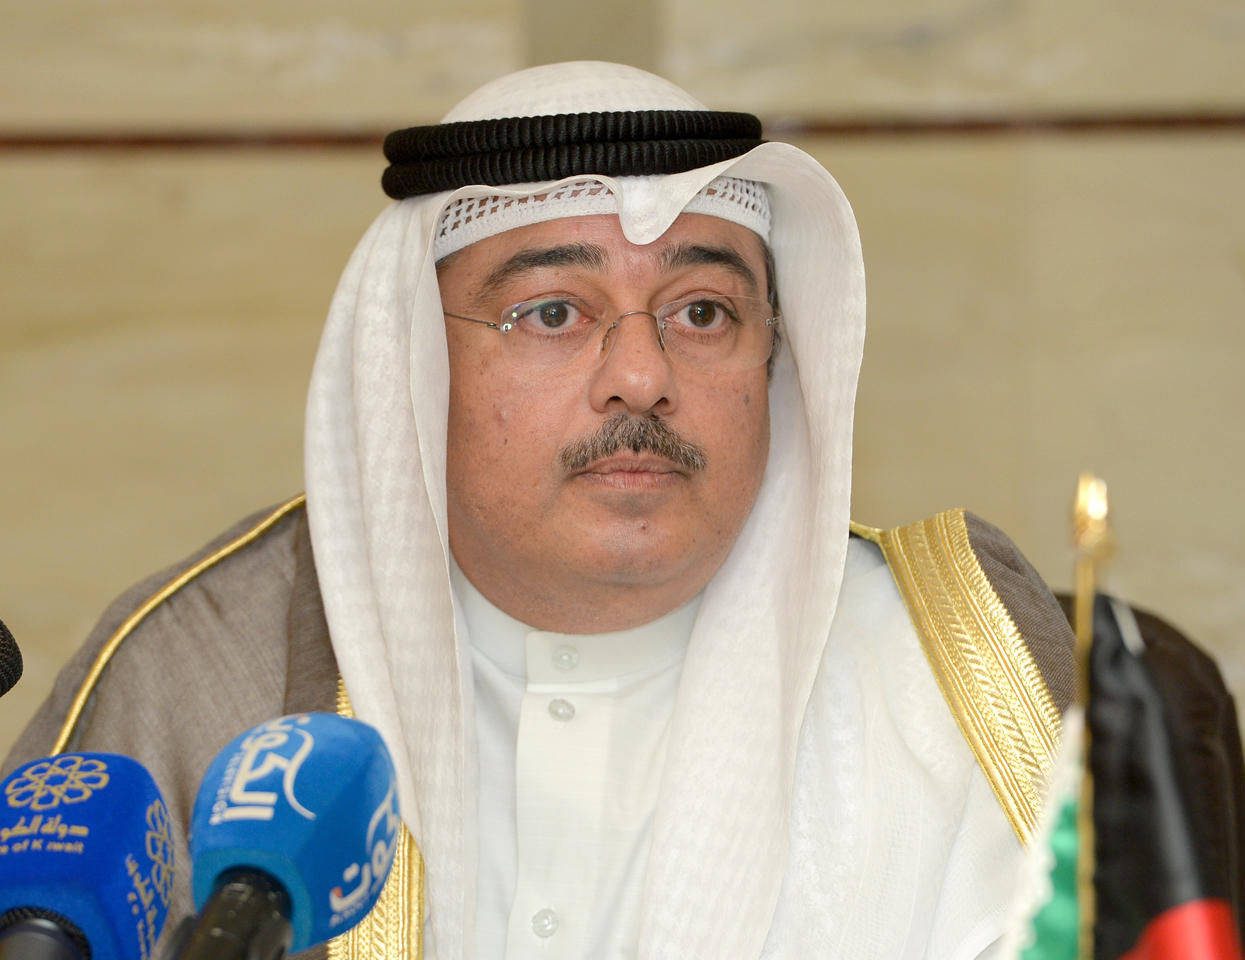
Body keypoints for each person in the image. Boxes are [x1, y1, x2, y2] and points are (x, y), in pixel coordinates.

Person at [4, 61, 1074, 959]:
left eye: (704, 312)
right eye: (552, 312)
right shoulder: (200, 672)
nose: (642, 377)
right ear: (416, 365)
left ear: (775, 359)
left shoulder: (952, 673)